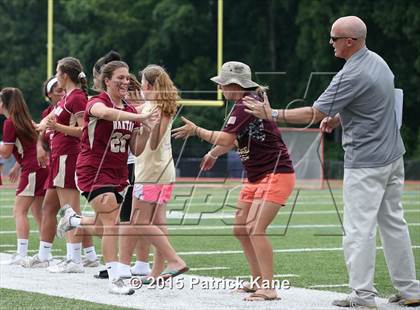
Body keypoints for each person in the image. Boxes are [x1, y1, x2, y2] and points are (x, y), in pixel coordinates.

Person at [243, 16, 420, 308]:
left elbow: (313, 113)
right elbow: (377, 103)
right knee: (394, 224)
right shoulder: (379, 63)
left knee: (358, 229)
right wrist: (338, 118)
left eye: (334, 38)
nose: (330, 43)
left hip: (366, 162)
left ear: (349, 41)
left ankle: (362, 295)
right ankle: (410, 289)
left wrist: (270, 113)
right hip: (392, 156)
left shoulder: (351, 73)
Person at [172, 61, 295, 301]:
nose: (220, 89)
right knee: (241, 228)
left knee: (256, 229)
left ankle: (268, 287)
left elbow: (226, 138)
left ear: (233, 84)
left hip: (275, 173)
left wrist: (197, 130)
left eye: (223, 85)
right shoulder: (246, 103)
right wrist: (212, 153)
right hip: (257, 176)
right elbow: (235, 141)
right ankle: (258, 280)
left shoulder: (245, 105)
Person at [56, 60, 159, 295]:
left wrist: (147, 129)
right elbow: (105, 114)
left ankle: (73, 221)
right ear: (107, 81)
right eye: (119, 78)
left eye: (127, 77)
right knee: (112, 220)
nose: (125, 81)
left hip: (118, 172)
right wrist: (139, 118)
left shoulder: (131, 111)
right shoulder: (96, 102)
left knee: (106, 225)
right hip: (92, 169)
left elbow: (136, 149)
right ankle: (115, 279)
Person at [24, 58, 98, 272]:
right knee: (49, 207)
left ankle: (74, 259)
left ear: (65, 75)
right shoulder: (66, 99)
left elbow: (85, 130)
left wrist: (59, 127)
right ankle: (44, 255)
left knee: (69, 211)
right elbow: (50, 126)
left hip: (69, 155)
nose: (56, 76)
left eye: (58, 72)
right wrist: (38, 126)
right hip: (58, 157)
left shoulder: (77, 98)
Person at [119, 65, 188, 282]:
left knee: (138, 222)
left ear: (147, 85)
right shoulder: (163, 104)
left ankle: (174, 260)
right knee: (158, 221)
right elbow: (130, 113)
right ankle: (157, 273)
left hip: (150, 171)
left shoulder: (152, 107)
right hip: (165, 170)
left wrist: (146, 125)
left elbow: (154, 141)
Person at [0, 87, 48, 265]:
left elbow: (5, 152)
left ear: (5, 103)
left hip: (33, 168)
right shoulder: (24, 119)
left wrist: (21, 164)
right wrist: (18, 166)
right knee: (38, 212)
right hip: (40, 167)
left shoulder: (10, 122)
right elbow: (30, 146)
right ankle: (45, 253)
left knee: (19, 211)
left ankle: (21, 253)